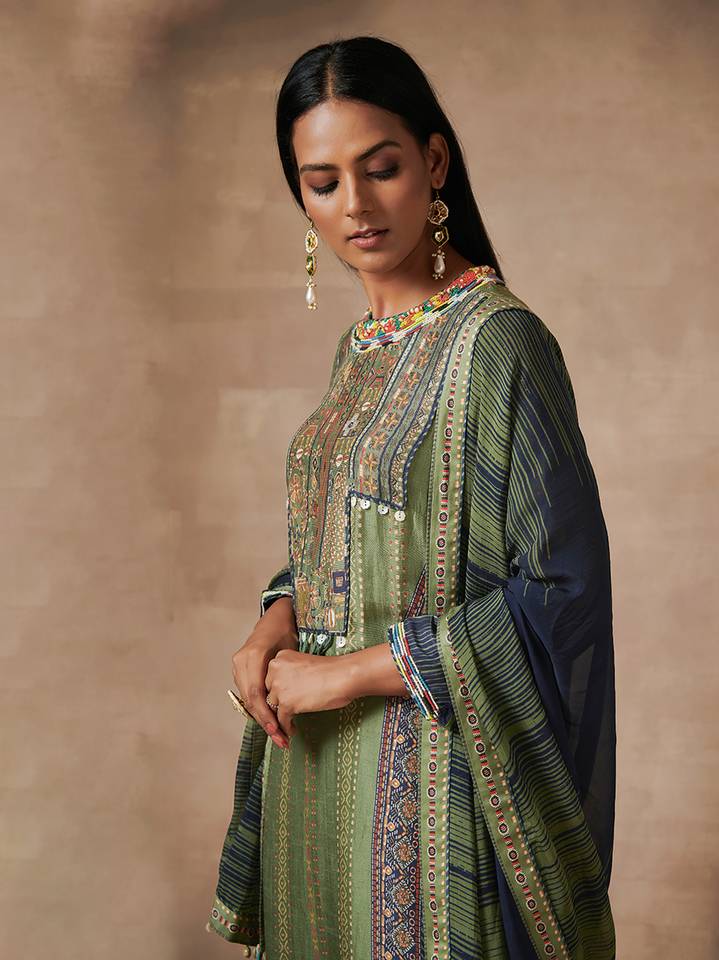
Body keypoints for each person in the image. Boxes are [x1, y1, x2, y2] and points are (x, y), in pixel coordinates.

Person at [206, 35, 616, 960]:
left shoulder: (498, 343)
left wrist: (344, 675)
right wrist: (273, 625)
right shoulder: (360, 350)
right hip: (310, 791)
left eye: (380, 168)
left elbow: (562, 592)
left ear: (433, 162)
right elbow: (346, 551)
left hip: (434, 801)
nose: (353, 204)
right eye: (322, 182)